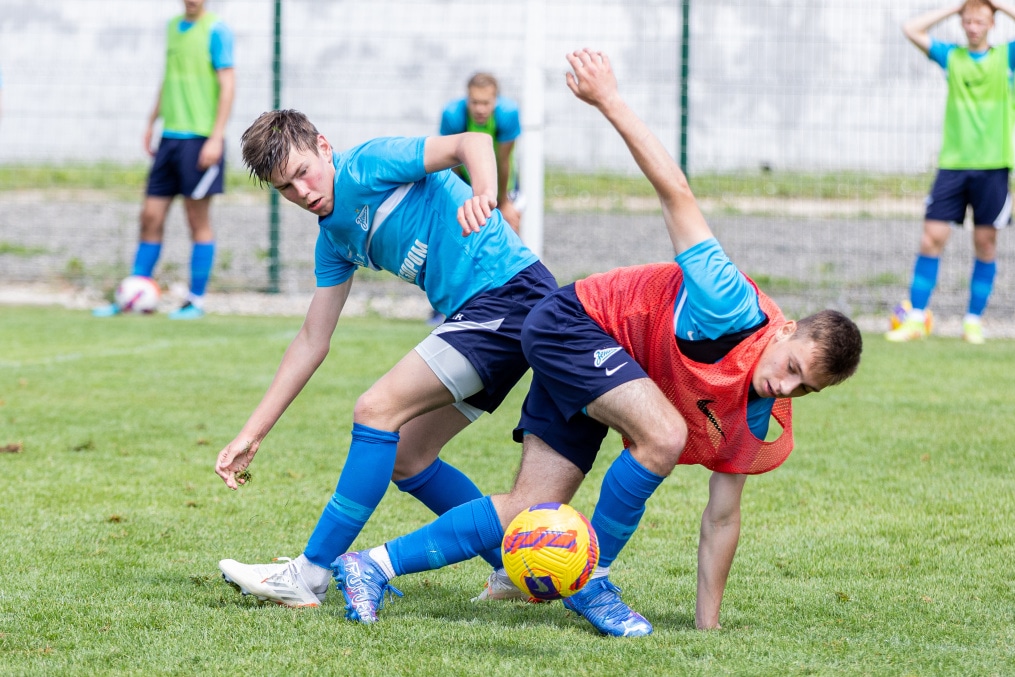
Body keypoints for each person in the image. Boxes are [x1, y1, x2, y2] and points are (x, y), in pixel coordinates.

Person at [331, 49, 863, 637]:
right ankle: (593, 582)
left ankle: (371, 566)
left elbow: (723, 514)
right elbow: (676, 190)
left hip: (603, 362)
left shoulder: (762, 403)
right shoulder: (731, 301)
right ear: (784, 330)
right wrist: (609, 99)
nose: (783, 386)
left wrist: (708, 632)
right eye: (790, 367)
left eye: (803, 388)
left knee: (529, 513)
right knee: (664, 433)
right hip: (572, 323)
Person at [214, 109, 557, 608]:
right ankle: (516, 565)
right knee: (407, 457)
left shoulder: (367, 165)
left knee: (376, 409)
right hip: (484, 314)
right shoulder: (333, 239)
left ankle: (308, 575)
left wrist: (484, 192)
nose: (302, 192)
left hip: (509, 296)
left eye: (304, 172)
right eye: (286, 188)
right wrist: (252, 433)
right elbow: (312, 339)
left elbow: (471, 143)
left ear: (324, 147)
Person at [93, 0, 235, 320]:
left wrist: (216, 136)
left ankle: (195, 301)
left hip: (200, 139)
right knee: (150, 216)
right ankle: (132, 294)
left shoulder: (217, 30)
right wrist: (151, 121)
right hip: (170, 138)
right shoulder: (172, 27)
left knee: (196, 219)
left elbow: (228, 85)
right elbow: (170, 78)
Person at [887, 0, 1015, 344]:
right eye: (968, 20)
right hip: (953, 165)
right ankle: (916, 318)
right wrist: (955, 7)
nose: (973, 26)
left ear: (991, 23)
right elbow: (911, 29)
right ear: (962, 22)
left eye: (980, 20)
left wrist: (1000, 5)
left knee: (985, 243)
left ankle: (972, 321)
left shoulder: (1007, 57)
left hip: (993, 167)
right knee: (931, 237)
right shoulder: (952, 57)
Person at [440, 73, 522, 234]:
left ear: (495, 100)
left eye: (486, 103)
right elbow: (451, 163)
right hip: (465, 180)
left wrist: (504, 202)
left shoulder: (507, 114)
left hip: (501, 180)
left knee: (509, 228)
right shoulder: (453, 115)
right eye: (475, 102)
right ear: (467, 99)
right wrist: (459, 197)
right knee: (464, 229)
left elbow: (504, 160)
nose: (480, 109)